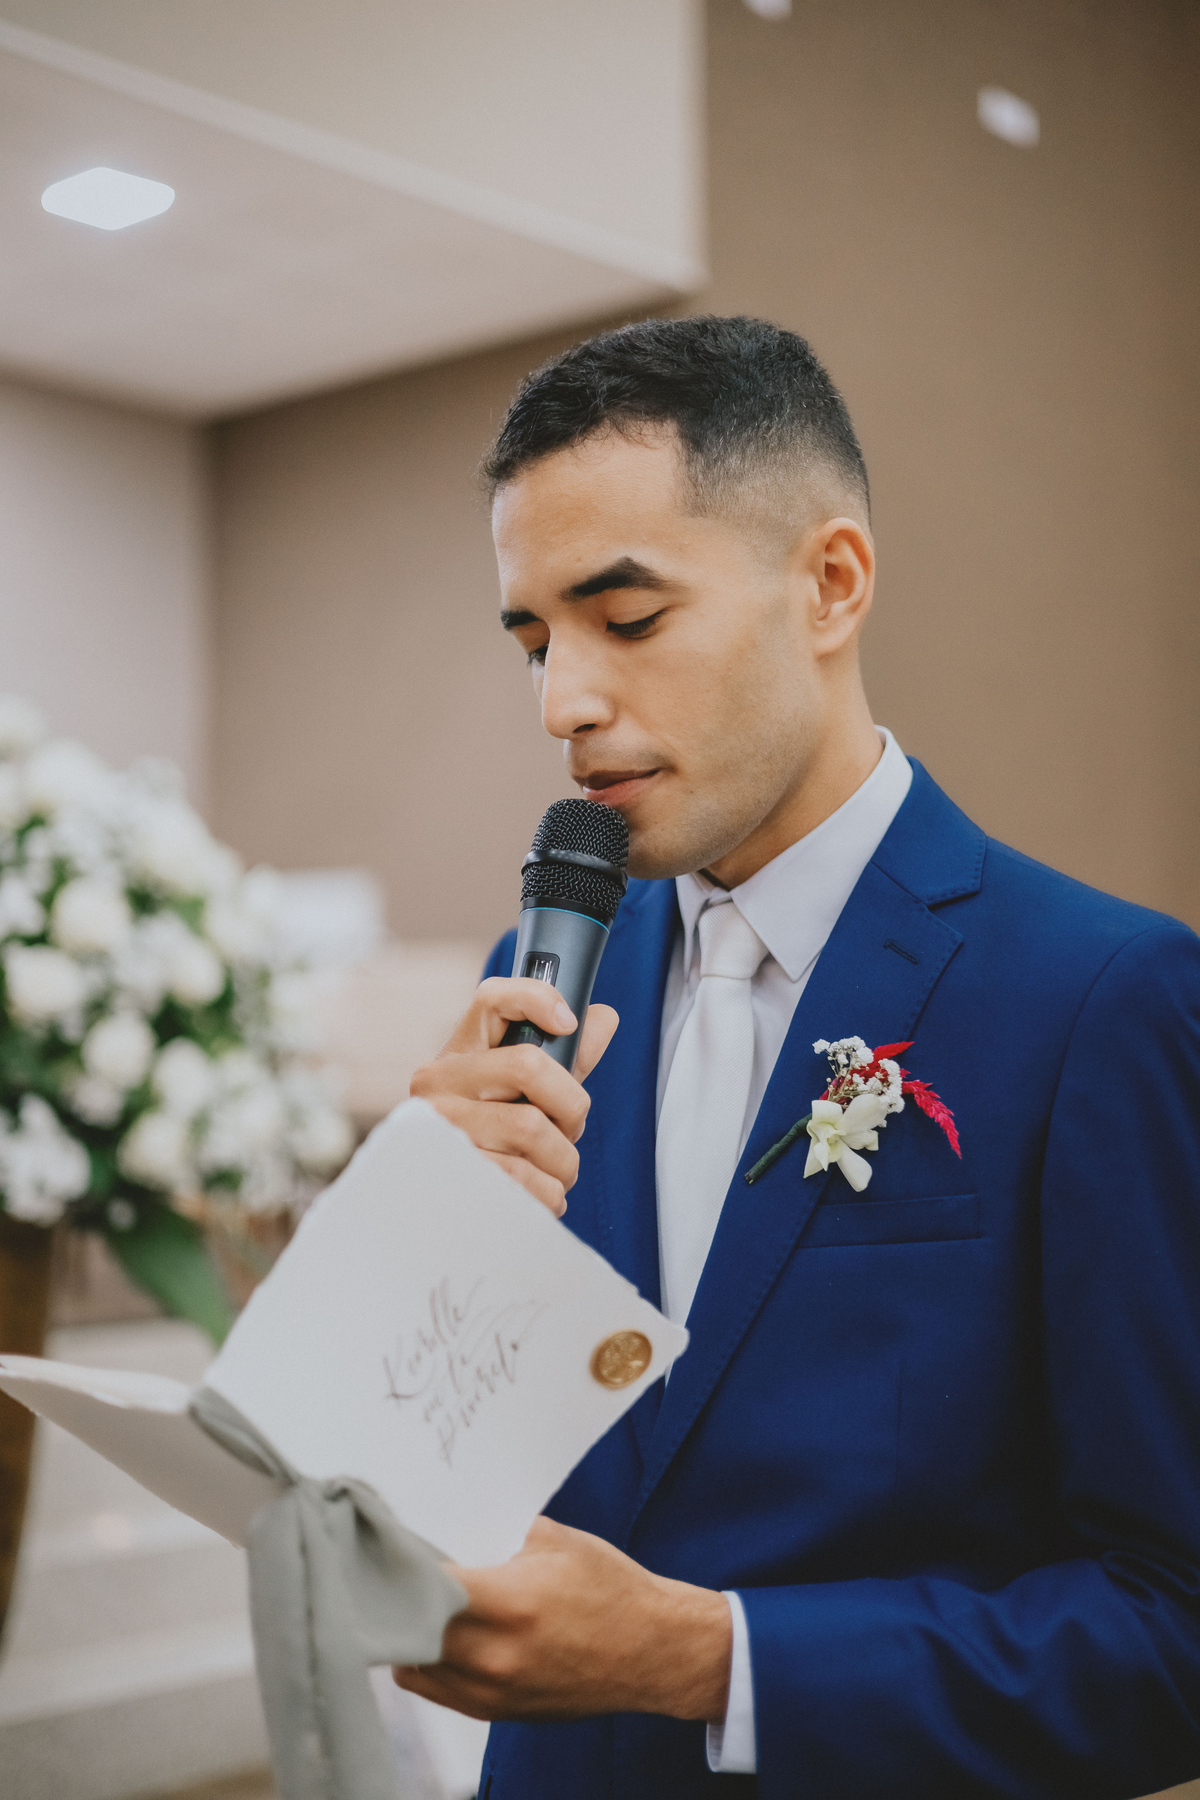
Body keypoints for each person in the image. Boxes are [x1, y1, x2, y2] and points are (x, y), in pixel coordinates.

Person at [393, 317, 1200, 1799]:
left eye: (627, 619)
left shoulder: (1103, 997)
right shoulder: (541, 978)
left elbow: (1174, 1630)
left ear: (830, 584)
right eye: (536, 642)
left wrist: (706, 1657)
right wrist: (421, 1243)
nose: (563, 702)